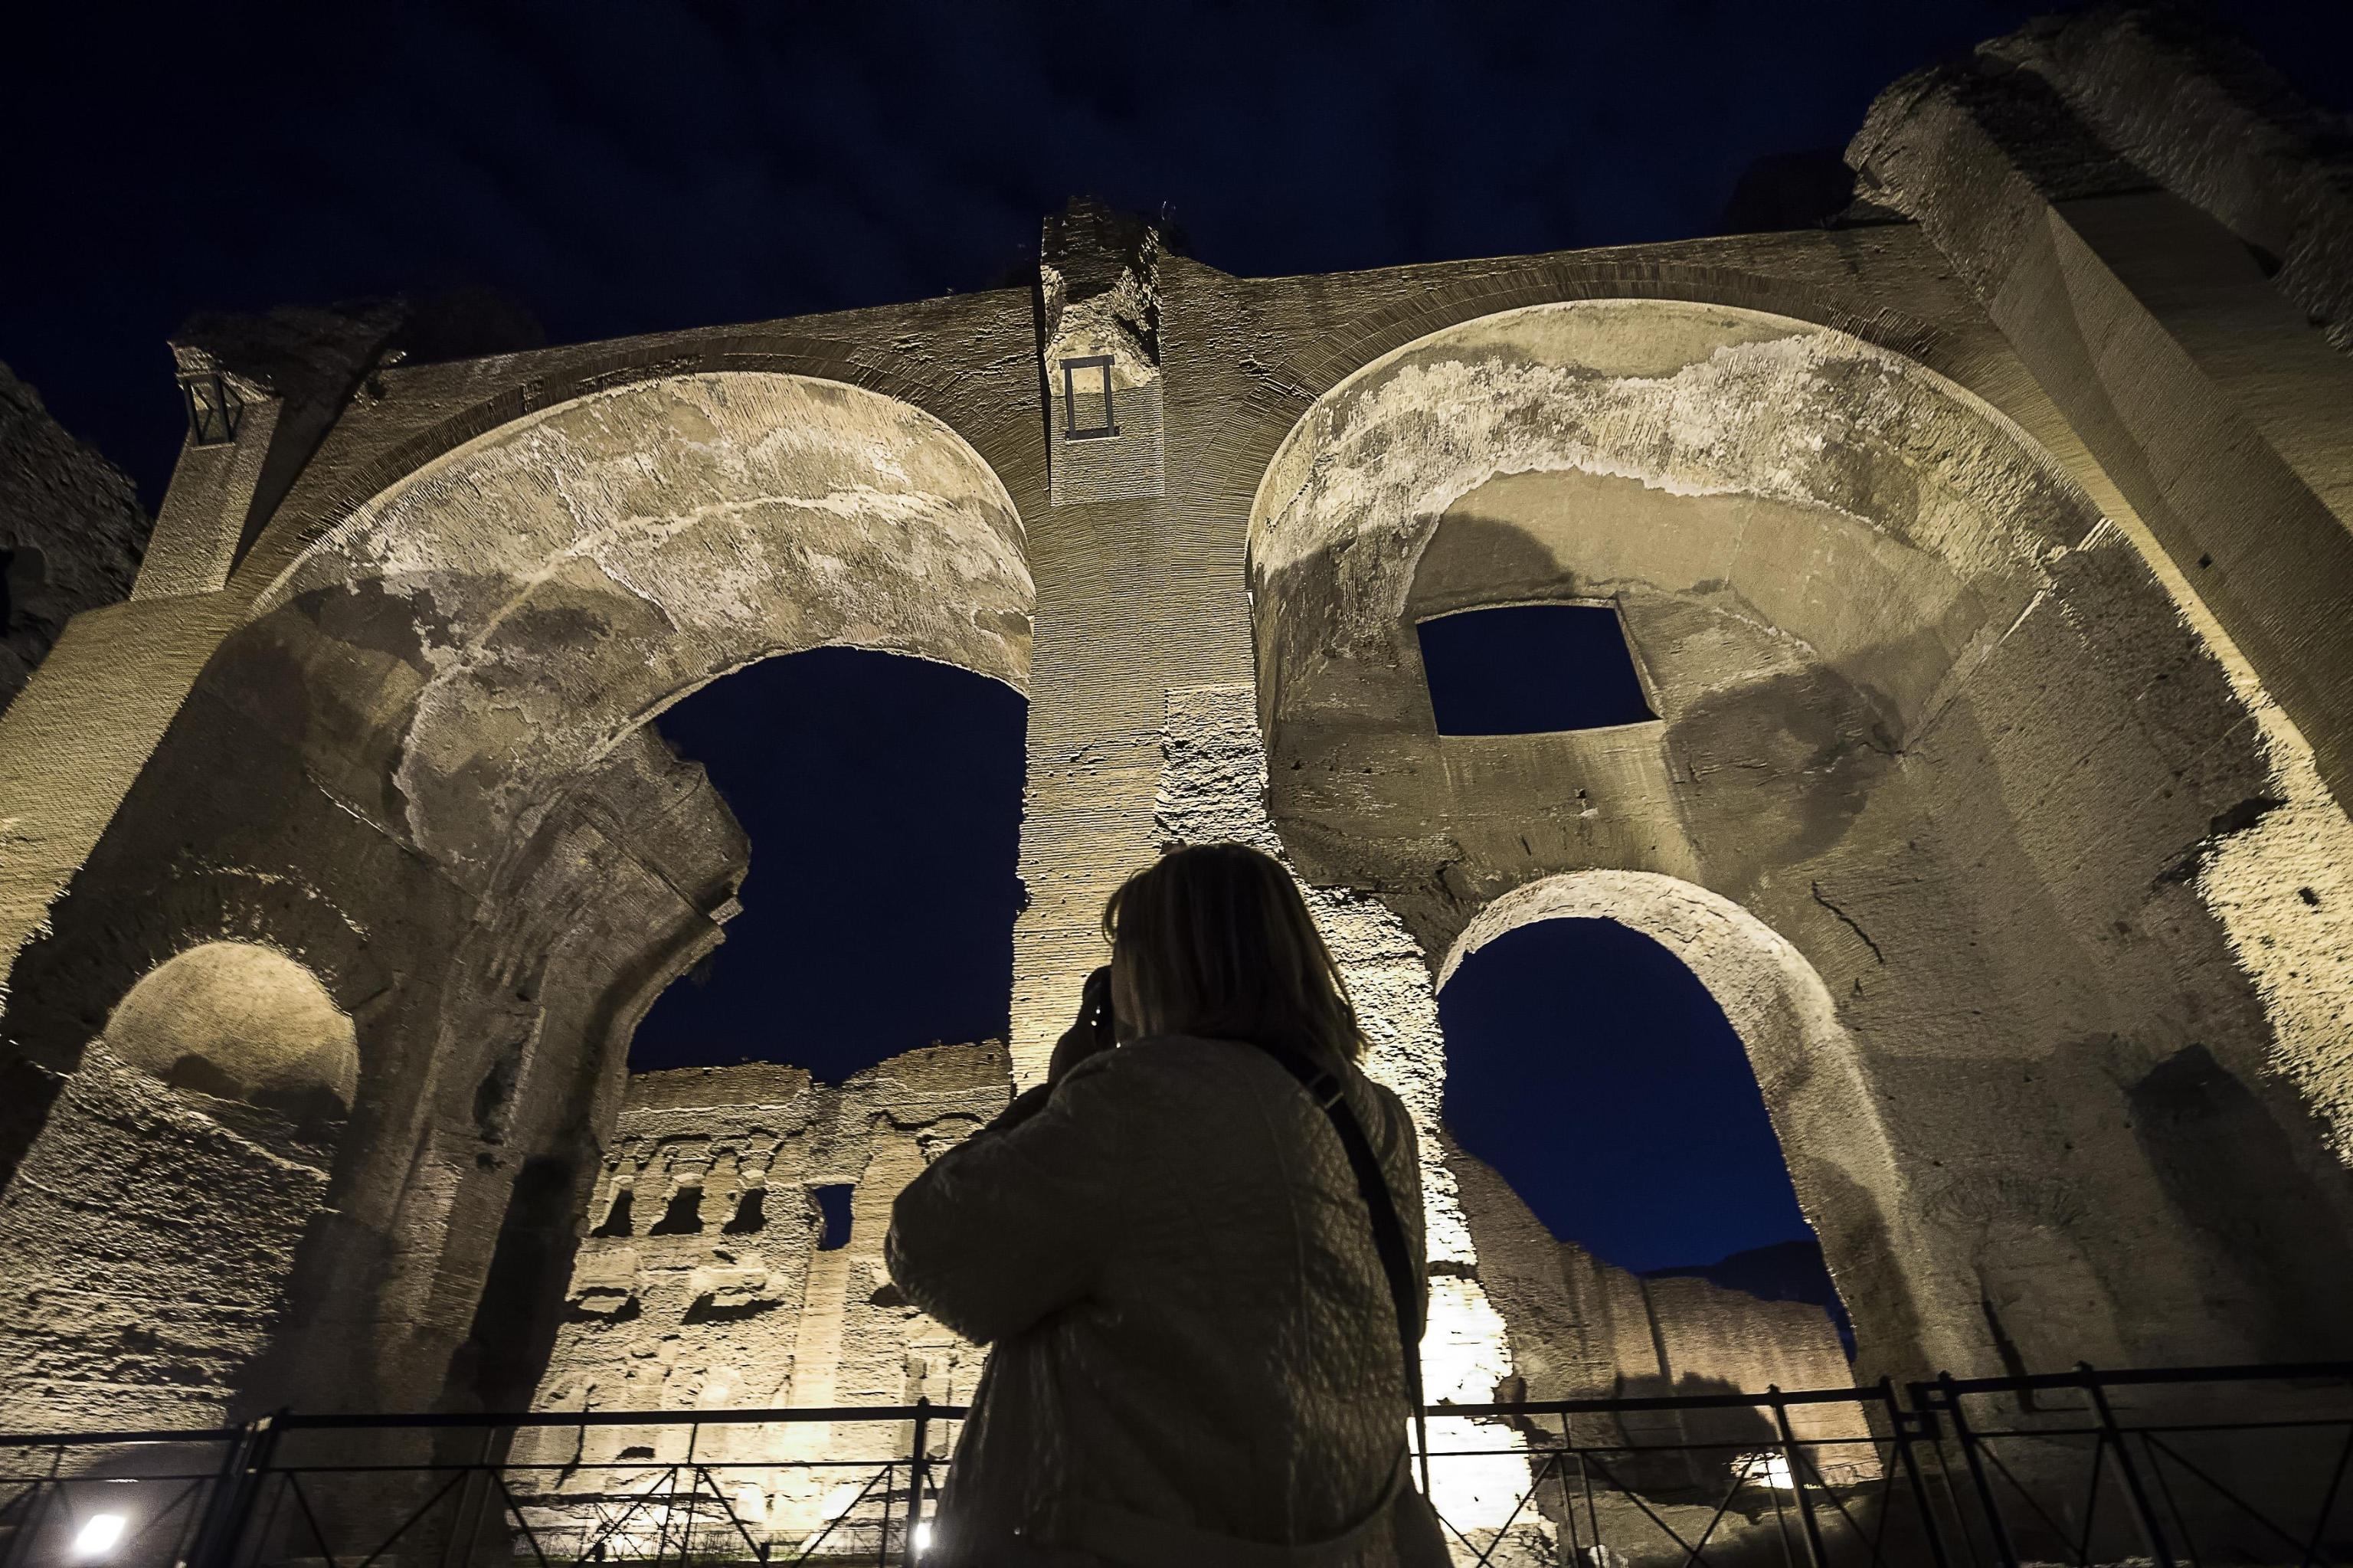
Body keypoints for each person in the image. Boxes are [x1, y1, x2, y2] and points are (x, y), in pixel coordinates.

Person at [885, 842, 1449, 1567]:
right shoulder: (1380, 1121)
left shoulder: (1142, 1092)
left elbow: (931, 1248)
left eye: (1123, 955)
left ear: (1161, 965)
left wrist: (1054, 1097)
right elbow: (1406, 1318)